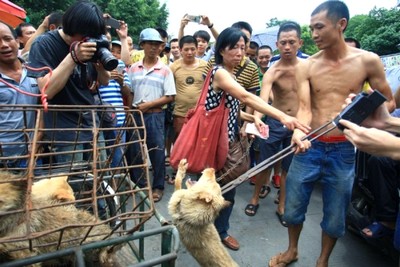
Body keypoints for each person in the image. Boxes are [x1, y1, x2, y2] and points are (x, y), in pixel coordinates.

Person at [268, 2, 395, 267]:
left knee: (335, 217)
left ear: (341, 25)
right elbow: (304, 108)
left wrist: (367, 113)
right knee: (292, 209)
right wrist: (298, 134)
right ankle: (292, 250)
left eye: (319, 27)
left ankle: (323, 260)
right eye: (311, 27)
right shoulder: (307, 66)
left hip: (343, 150)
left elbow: (389, 104)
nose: (313, 34)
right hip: (310, 146)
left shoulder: (367, 60)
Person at [205, 27, 309, 251]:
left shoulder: (230, 74)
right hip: (214, 142)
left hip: (228, 141)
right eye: (234, 47)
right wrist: (281, 115)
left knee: (228, 188)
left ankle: (220, 231)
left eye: (243, 47)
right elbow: (245, 96)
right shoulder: (220, 72)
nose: (240, 52)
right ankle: (206, 232)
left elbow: (233, 108)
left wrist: (253, 118)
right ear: (222, 49)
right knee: (212, 189)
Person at [28, 0, 111, 165]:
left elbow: (105, 81)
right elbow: (46, 91)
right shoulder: (44, 44)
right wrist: (73, 57)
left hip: (90, 121)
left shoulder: (90, 42)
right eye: (86, 34)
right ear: (73, 27)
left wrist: (101, 67)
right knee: (72, 182)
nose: (89, 38)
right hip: (64, 128)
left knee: (100, 175)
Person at [245, 22, 305, 230]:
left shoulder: (307, 68)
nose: (287, 46)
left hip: (298, 126)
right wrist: (257, 118)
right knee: (265, 163)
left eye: (291, 42)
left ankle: (282, 206)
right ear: (277, 44)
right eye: (283, 43)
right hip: (275, 122)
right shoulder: (273, 70)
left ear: (300, 42)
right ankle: (254, 198)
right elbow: (262, 100)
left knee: (288, 169)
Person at [126, 28, 176, 202]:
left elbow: (170, 96)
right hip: (136, 115)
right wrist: (130, 111)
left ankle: (158, 186)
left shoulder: (165, 70)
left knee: (156, 152)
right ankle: (139, 185)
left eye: (158, 45)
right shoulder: (133, 68)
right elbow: (130, 92)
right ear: (143, 45)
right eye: (150, 44)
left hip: (155, 115)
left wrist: (148, 105)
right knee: (135, 151)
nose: (154, 48)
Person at [0, 22, 41, 170]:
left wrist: (36, 143)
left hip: (31, 155)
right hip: (2, 160)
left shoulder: (36, 72)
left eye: (7, 38)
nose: (4, 45)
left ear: (17, 41)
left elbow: (42, 109)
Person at [97, 39, 132, 168]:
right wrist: (104, 76)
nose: (115, 54)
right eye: (112, 51)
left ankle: (116, 186)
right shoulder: (96, 65)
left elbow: (128, 93)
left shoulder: (121, 65)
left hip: (119, 119)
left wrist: (121, 82)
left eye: (118, 51)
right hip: (100, 120)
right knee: (100, 160)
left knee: (117, 160)